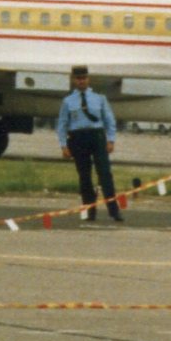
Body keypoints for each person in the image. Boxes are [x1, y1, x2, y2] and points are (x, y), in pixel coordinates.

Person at [56, 66, 124, 223]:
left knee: (105, 174)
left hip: (97, 136)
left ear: (88, 79)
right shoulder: (68, 101)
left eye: (84, 78)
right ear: (74, 80)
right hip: (78, 138)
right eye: (78, 78)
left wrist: (111, 140)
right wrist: (63, 146)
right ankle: (89, 211)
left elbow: (109, 120)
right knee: (85, 177)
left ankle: (114, 211)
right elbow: (62, 124)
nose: (81, 81)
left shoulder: (99, 98)